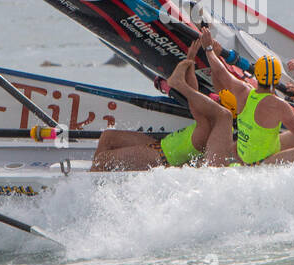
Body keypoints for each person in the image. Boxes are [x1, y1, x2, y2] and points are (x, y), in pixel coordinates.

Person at [91, 35, 236, 170]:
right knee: (108, 136)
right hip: (159, 146)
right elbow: (195, 93)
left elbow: (193, 99)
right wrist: (190, 60)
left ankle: (93, 182)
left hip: (159, 159)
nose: (212, 101)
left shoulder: (207, 127)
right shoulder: (208, 121)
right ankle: (99, 178)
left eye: (217, 102)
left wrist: (181, 82)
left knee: (102, 160)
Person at [202, 35, 294, 165]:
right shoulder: (279, 105)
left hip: (247, 156)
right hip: (260, 163)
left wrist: (209, 50)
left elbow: (220, 71)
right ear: (278, 78)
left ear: (257, 75)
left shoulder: (243, 90)